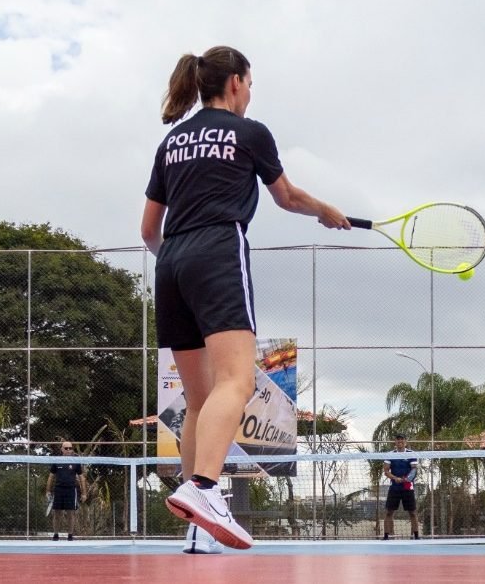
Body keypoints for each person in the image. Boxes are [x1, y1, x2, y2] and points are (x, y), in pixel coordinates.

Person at [141, 46, 351, 551]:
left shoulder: (171, 142)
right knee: (237, 380)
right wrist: (325, 210)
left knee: (197, 401)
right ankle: (205, 488)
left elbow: (148, 230)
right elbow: (288, 197)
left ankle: (198, 526)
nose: (251, 92)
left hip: (170, 265)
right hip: (217, 251)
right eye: (250, 83)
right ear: (235, 82)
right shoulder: (249, 133)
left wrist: (181, 263)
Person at [46, 441, 87, 541]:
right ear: (62, 449)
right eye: (66, 448)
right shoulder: (57, 461)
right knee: (57, 513)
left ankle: (70, 535)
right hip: (58, 490)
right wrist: (48, 491)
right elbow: (51, 477)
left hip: (71, 490)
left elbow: (81, 478)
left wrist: (84, 493)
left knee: (71, 513)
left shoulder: (76, 462)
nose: (68, 450)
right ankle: (56, 535)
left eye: (70, 448)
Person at [382, 433, 419, 540]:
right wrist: (395, 478)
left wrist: (407, 479)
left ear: (405, 441)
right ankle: (386, 536)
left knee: (412, 512)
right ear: (395, 442)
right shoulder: (390, 454)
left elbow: (414, 469)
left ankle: (416, 536)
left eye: (402, 439)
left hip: (408, 487)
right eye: (398, 439)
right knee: (389, 512)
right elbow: (386, 471)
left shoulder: (411, 454)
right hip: (394, 488)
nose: (400, 441)